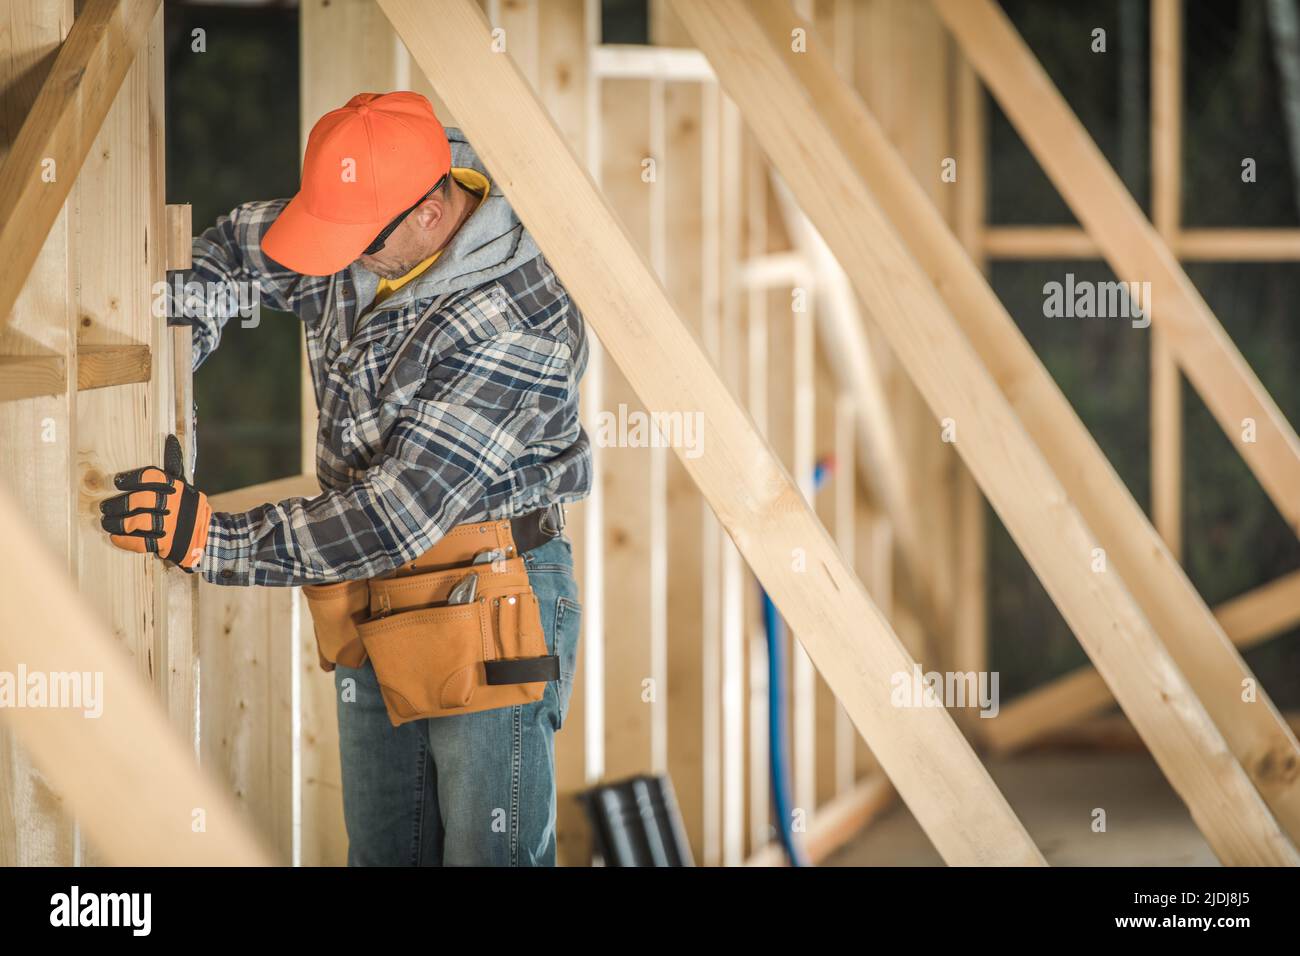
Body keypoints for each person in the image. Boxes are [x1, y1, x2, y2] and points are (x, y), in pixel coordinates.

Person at [97, 91, 590, 866]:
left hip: (490, 587)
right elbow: (229, 251)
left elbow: (398, 513)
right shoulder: (372, 204)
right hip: (367, 587)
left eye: (356, 241)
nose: (339, 257)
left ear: (432, 212)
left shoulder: (516, 319)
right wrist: (175, 359)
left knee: (485, 857)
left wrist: (211, 541)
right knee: (384, 852)